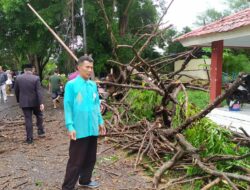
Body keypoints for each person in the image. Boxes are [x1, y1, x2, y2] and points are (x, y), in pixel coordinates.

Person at [62, 55, 106, 190]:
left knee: (91, 158)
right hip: (79, 128)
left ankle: (85, 181)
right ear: (79, 67)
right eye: (87, 67)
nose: (90, 70)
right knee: (76, 160)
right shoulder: (71, 85)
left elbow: (96, 105)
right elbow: (68, 106)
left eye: (91, 67)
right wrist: (70, 126)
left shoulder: (93, 85)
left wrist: (100, 121)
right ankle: (68, 187)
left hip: (92, 127)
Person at [14, 64, 45, 144]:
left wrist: (18, 100)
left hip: (24, 102)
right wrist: (41, 102)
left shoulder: (18, 78)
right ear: (32, 70)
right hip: (35, 102)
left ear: (24, 70)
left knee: (28, 119)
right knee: (39, 115)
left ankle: (29, 138)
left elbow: (16, 91)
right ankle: (40, 130)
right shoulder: (36, 78)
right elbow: (39, 91)